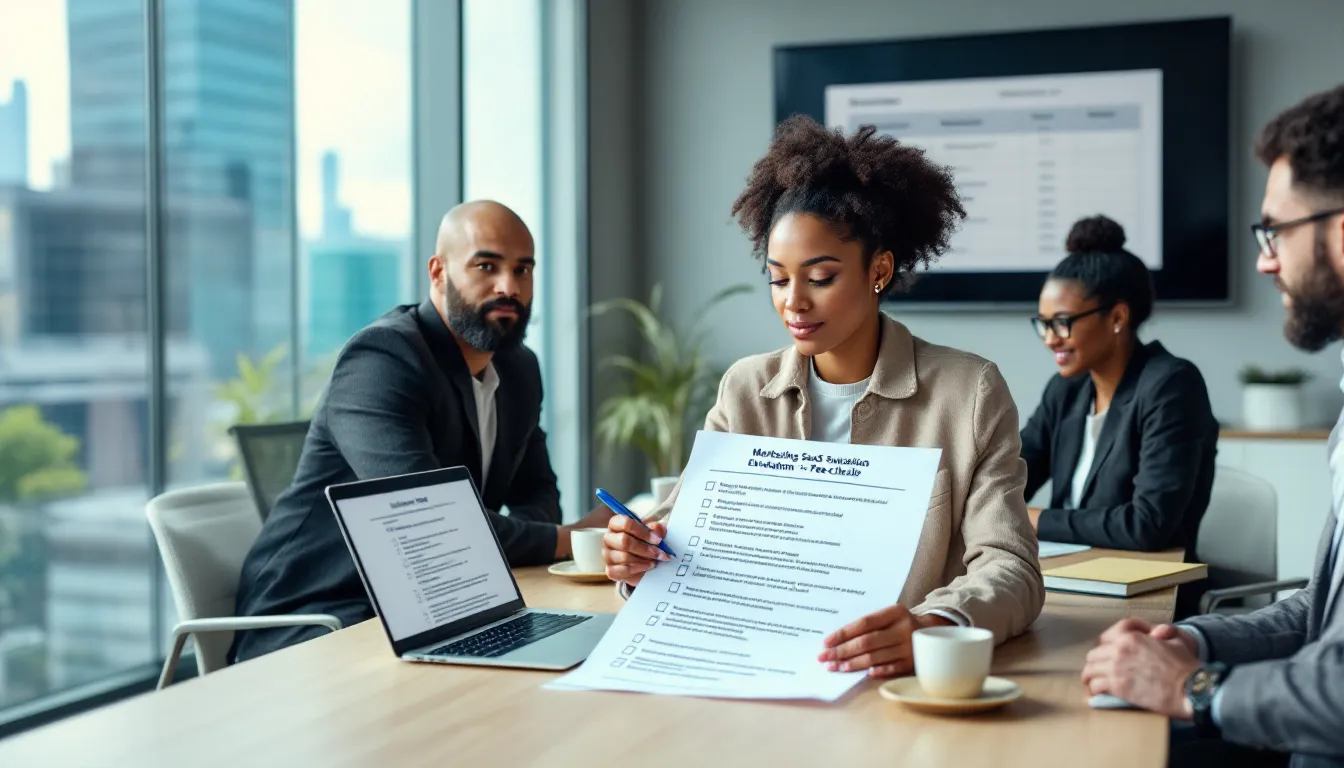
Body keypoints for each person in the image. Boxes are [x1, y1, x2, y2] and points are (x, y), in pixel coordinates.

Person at [601, 115, 1045, 678]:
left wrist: (934, 628)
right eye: (778, 278)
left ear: (878, 270)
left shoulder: (969, 392)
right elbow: (674, 538)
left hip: (891, 684)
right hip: (751, 667)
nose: (794, 302)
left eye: (820, 276)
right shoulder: (746, 389)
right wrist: (636, 555)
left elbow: (1011, 566)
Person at [1083, 84, 1344, 768]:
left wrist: (1194, 687)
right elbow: (1326, 611)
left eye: (1275, 231)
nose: (1265, 260)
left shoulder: (1169, 383)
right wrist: (1197, 641)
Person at [230, 200, 611, 662]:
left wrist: (546, 532)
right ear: (438, 271)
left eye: (522, 270)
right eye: (486, 266)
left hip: (445, 609)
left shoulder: (520, 368)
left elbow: (538, 492)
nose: (508, 286)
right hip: (318, 622)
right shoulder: (384, 359)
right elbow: (432, 521)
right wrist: (571, 538)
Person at [1019, 216, 1217, 562]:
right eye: (1044, 324)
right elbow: (1011, 475)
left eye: (1062, 322)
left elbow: (1148, 524)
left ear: (1117, 318)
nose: (1051, 339)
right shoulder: (1065, 390)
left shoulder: (1171, 385)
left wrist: (1033, 518)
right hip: (1064, 572)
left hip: (1147, 586)